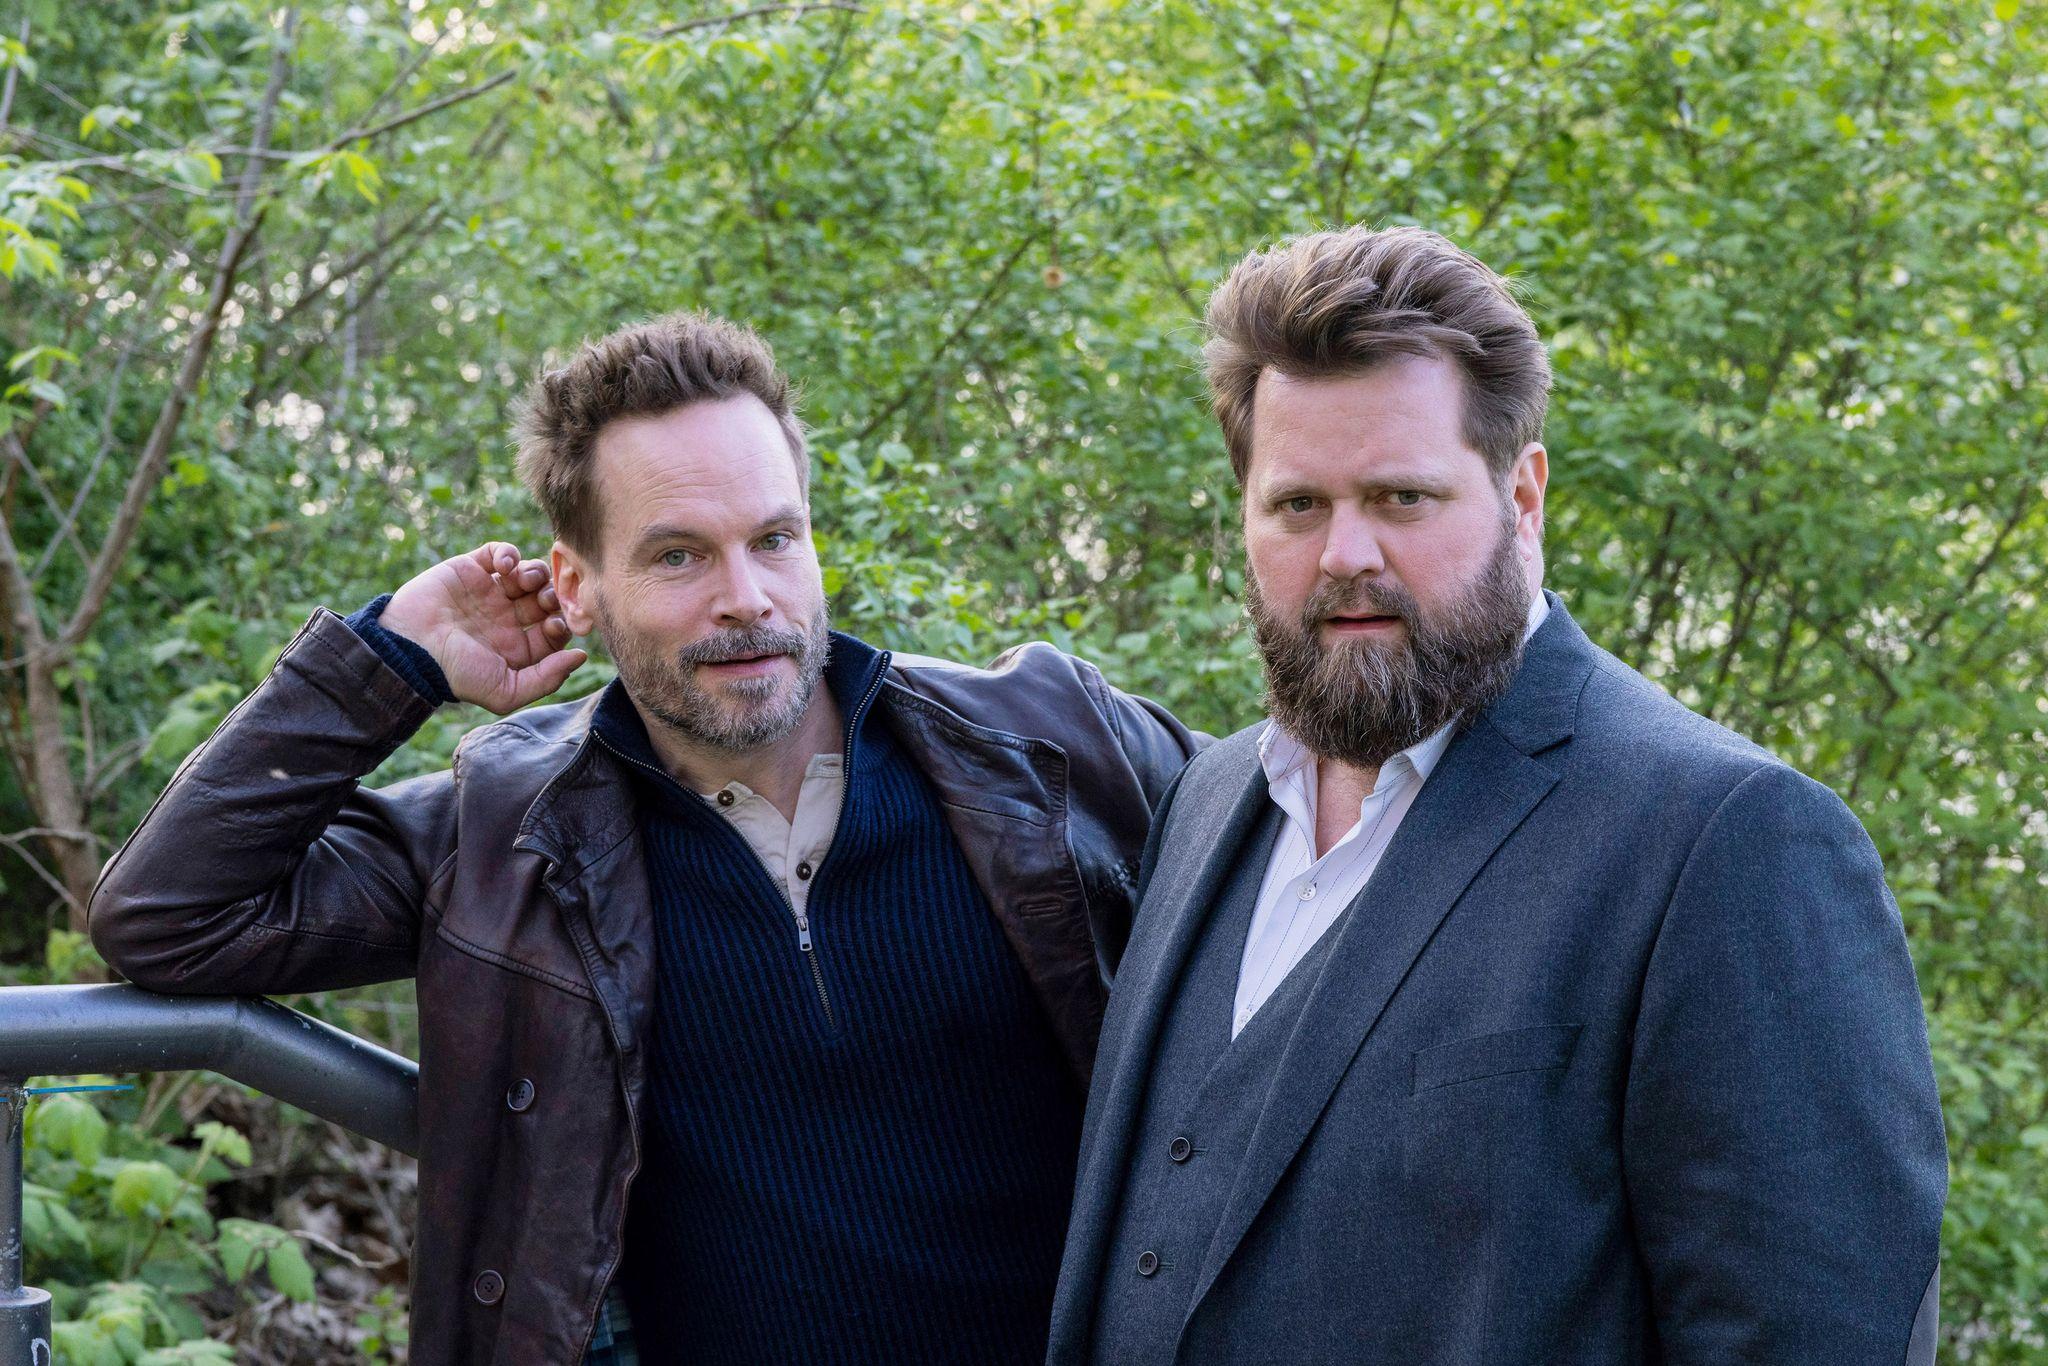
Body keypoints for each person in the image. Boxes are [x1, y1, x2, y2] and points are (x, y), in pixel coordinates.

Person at [89, 312, 1199, 1364]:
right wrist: (394, 655)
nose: (746, 598)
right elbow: (173, 915)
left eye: (775, 539)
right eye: (678, 556)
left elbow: (1290, 869)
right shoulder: (508, 833)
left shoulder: (1050, 741)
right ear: (576, 585)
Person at [1047, 224, 1947, 1365]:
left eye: (1401, 497)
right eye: (1297, 505)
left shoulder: (1729, 839)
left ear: (1522, 496)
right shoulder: (1202, 801)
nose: (1345, 554)